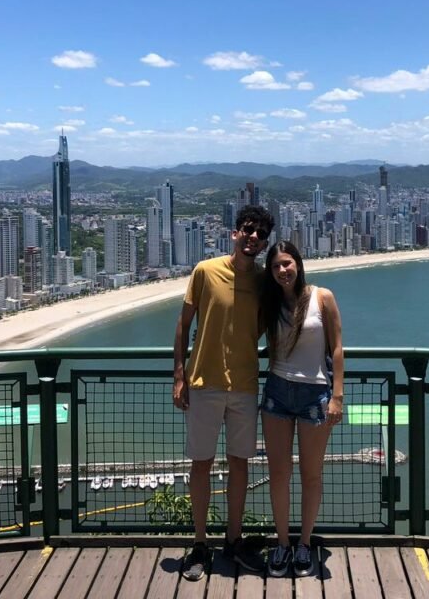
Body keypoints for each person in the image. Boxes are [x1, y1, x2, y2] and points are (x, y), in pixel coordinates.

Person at [173, 204, 275, 581]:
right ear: (235, 233)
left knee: (239, 464)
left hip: (245, 385)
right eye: (248, 230)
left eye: (261, 234)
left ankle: (233, 540)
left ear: (265, 243)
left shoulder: (265, 281)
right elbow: (183, 325)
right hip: (204, 383)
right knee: (201, 464)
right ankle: (200, 543)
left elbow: (270, 323)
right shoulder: (205, 271)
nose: (253, 237)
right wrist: (179, 375)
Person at [259, 241, 344, 578]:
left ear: (298, 264)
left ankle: (305, 543)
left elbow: (337, 346)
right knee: (279, 474)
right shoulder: (269, 303)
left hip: (315, 395)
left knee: (311, 474)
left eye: (287, 263)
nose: (283, 270)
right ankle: (282, 543)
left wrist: (337, 396)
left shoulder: (322, 297)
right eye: (276, 266)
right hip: (277, 393)